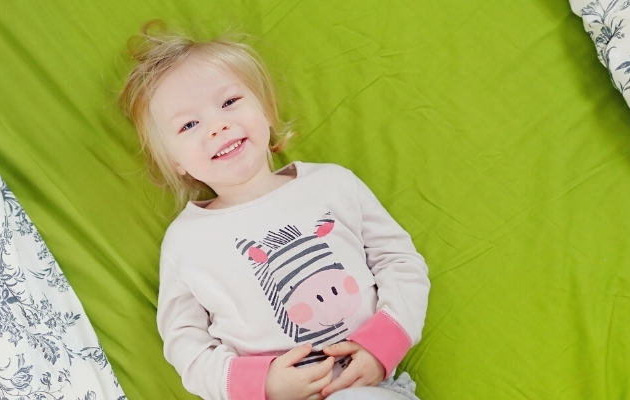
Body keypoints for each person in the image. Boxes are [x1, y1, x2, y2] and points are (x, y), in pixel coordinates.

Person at [118, 22, 430, 400]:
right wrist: (260, 383)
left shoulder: (332, 185)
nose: (217, 126)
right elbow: (185, 343)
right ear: (175, 162)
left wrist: (381, 346)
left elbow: (400, 261)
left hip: (368, 386)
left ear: (265, 110)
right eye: (189, 124)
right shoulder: (186, 242)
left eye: (229, 102)